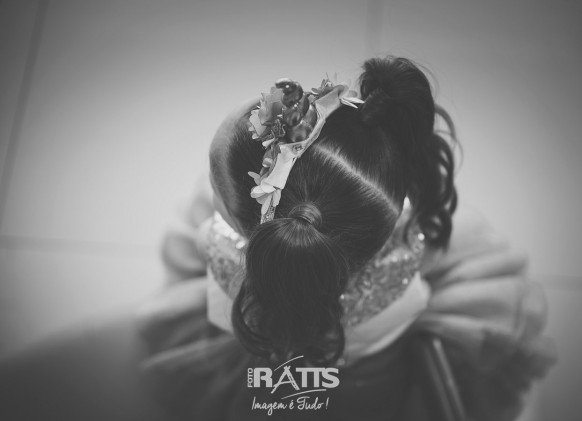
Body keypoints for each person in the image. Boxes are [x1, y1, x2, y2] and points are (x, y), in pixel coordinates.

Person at [137, 56, 556, 421]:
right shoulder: (405, 247)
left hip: (277, 386)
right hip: (378, 381)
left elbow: (203, 248)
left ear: (243, 227)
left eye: (215, 189)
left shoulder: (221, 254)